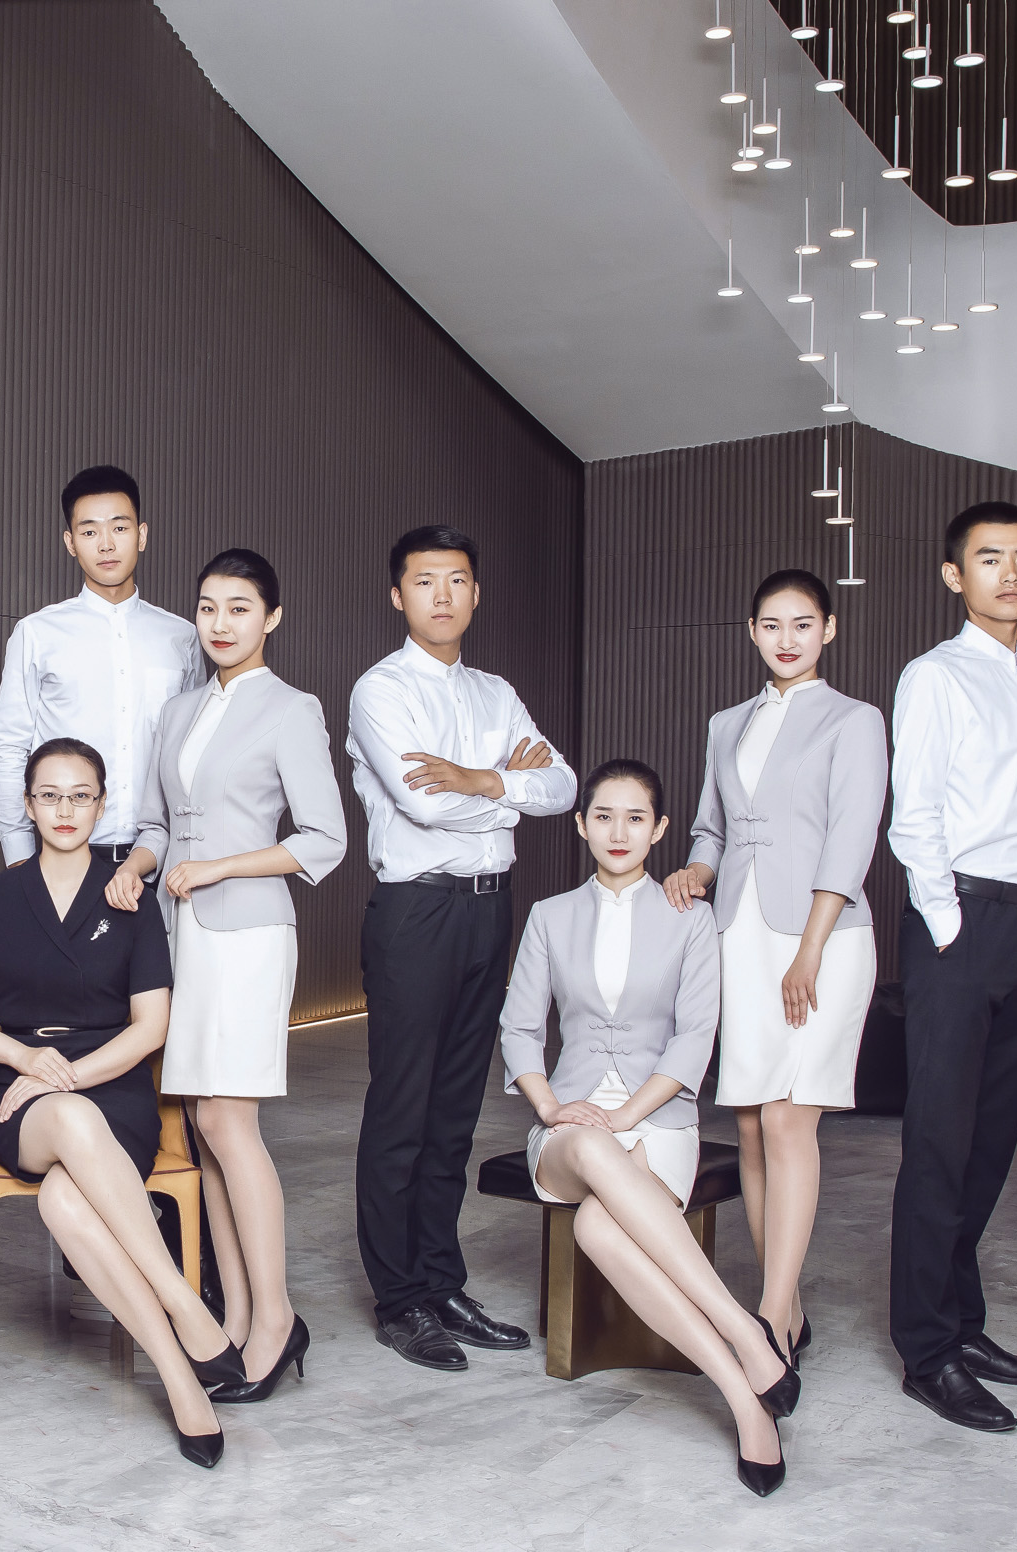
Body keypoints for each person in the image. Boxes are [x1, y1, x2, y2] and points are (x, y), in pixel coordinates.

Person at [0, 739, 242, 1466]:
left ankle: (181, 1381)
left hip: (116, 1090)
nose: (64, 810)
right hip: (24, 1099)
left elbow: (151, 1028)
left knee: (62, 1204)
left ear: (102, 807)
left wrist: (67, 1074)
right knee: (68, 1118)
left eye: (80, 796)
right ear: (28, 805)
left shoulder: (128, 897)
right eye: (50, 795)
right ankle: (186, 1304)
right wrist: (24, 1060)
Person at [503, 760, 795, 1494]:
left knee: (598, 1230)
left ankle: (743, 1401)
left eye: (636, 818)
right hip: (570, 1128)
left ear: (660, 830)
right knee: (589, 1147)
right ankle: (745, 1330)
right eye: (603, 816)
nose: (619, 832)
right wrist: (550, 1107)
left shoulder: (690, 919)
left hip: (659, 1121)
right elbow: (518, 1030)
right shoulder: (549, 916)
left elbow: (695, 1037)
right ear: (580, 825)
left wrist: (630, 1115)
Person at [111, 548, 344, 1401]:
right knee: (203, 1125)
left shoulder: (293, 709)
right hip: (179, 933)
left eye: (239, 608)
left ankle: (276, 1318)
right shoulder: (177, 712)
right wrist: (136, 865)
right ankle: (239, 1318)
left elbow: (324, 839)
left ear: (271, 618)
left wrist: (219, 867)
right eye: (208, 607)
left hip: (247, 934)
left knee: (227, 1119)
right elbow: (155, 822)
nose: (220, 623)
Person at [344, 524, 575, 1370]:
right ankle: (399, 1298)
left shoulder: (496, 692)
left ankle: (442, 1281)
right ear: (397, 594)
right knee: (402, 1109)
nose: (442, 595)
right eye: (424, 581)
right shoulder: (380, 690)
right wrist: (511, 791)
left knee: (454, 1112)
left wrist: (480, 779)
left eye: (457, 580)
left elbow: (564, 786)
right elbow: (423, 805)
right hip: (417, 912)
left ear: (476, 593)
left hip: (489, 909)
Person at [663, 568, 887, 1364]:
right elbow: (711, 828)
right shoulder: (727, 724)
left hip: (822, 938)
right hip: (741, 936)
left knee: (792, 1119)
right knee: (754, 1125)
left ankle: (768, 1318)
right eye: (771, 625)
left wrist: (810, 949)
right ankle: (783, 1306)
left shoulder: (855, 720)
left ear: (829, 629)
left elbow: (852, 837)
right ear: (752, 632)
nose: (786, 639)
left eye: (802, 624)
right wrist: (695, 871)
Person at [886, 502, 1017, 1432]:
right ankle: (927, 1351)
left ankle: (962, 1324)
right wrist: (949, 924)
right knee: (939, 1140)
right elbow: (913, 811)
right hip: (962, 924)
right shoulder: (936, 675)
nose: (1010, 574)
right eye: (989, 559)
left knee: (995, 1138)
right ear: (955, 576)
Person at [0, 465, 204, 866]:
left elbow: (193, 749)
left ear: (141, 535)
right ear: (70, 542)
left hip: (160, 859)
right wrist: (19, 857)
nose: (106, 544)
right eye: (89, 532)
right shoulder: (36, 633)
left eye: (119, 528)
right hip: (63, 858)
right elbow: (8, 747)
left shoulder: (182, 636)